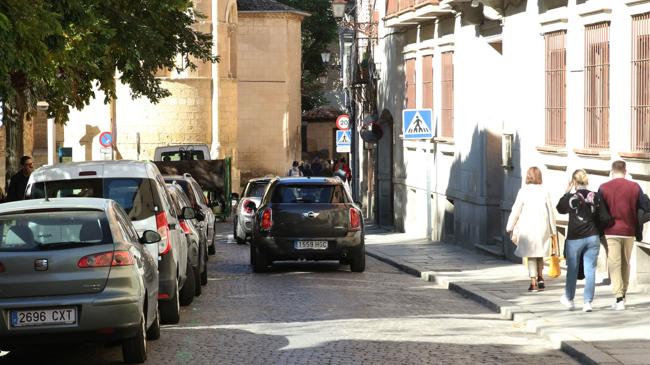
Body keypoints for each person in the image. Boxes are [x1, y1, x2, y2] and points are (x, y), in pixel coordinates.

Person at [598, 160, 643, 311]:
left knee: (614, 264)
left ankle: (619, 298)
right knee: (625, 263)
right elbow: (644, 206)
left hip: (611, 231)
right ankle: (622, 296)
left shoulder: (604, 188)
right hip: (629, 231)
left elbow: (599, 212)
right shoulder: (635, 187)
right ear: (625, 170)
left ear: (612, 171)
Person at [556, 169, 601, 312]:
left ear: (574, 181)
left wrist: (566, 192)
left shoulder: (571, 197)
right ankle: (587, 303)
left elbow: (560, 209)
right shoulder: (595, 196)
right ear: (586, 181)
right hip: (592, 236)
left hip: (575, 237)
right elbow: (602, 215)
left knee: (573, 270)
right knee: (590, 270)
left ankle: (569, 299)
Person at [506, 166, 557, 292]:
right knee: (539, 253)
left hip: (528, 227)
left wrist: (509, 227)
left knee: (531, 255)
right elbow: (550, 211)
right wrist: (553, 230)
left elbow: (516, 210)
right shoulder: (545, 191)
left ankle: (533, 282)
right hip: (542, 227)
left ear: (528, 177)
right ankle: (540, 277)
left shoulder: (523, 191)